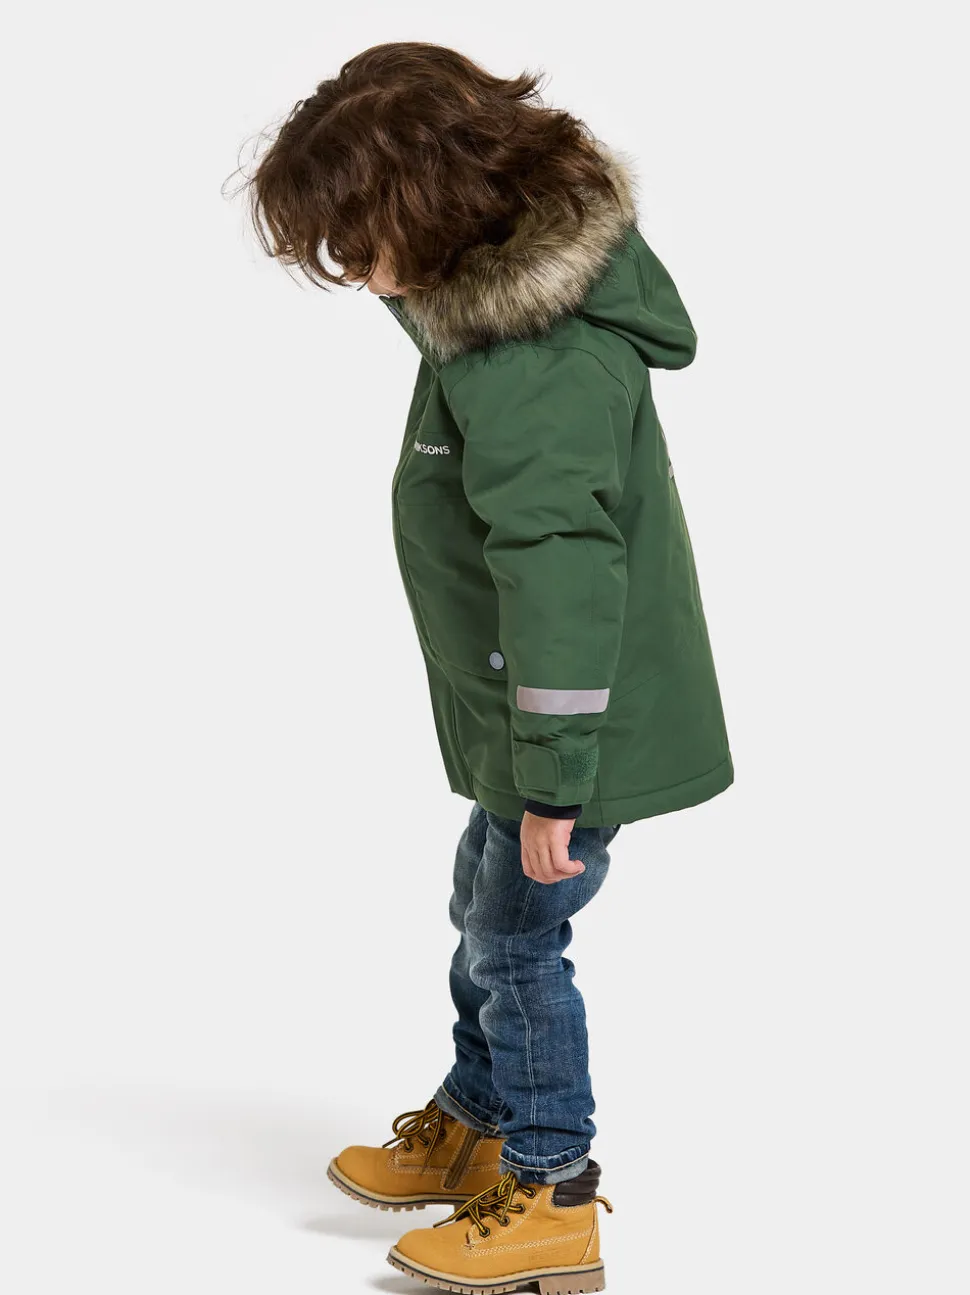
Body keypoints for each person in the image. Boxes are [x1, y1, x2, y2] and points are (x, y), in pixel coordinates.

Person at [244, 40, 733, 1295]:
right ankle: (475, 1117)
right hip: (528, 723)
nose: (351, 271)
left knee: (516, 944)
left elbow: (560, 568)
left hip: (572, 734)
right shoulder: (485, 326)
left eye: (354, 241)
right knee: (482, 907)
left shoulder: (535, 362)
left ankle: (553, 1187)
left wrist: (557, 779)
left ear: (429, 205)